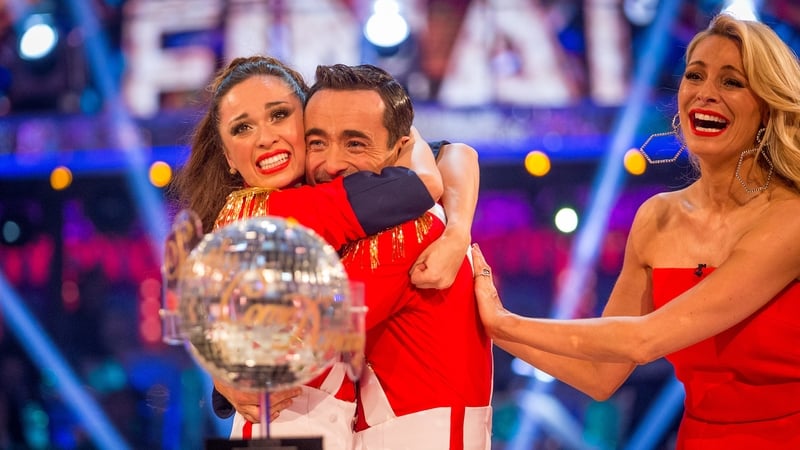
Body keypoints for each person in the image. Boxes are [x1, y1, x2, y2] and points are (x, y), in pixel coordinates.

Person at [471, 13, 800, 450]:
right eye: (695, 75)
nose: (705, 93)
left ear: (767, 104)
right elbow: (601, 374)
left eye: (731, 82)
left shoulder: (788, 218)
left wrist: (504, 321)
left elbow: (644, 340)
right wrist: (487, 327)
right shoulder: (657, 217)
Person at [170, 55, 485, 449]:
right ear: (229, 157)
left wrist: (457, 231)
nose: (265, 137)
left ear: (303, 122)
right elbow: (421, 180)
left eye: (279, 115)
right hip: (286, 428)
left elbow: (456, 154)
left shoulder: (356, 210)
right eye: (243, 128)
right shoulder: (263, 210)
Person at [303, 63, 493, 450]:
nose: (332, 163)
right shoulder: (399, 220)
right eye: (317, 142)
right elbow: (456, 153)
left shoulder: (407, 232)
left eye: (355, 144)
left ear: (401, 149)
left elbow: (290, 333)